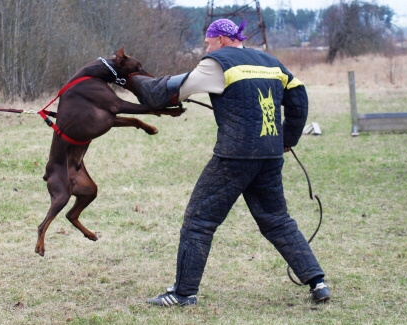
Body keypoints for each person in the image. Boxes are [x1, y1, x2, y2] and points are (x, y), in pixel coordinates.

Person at [131, 19, 330, 307]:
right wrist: (287, 139)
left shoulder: (217, 63)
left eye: (208, 42)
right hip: (270, 155)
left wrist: (128, 77)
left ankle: (183, 293)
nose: (206, 47)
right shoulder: (271, 62)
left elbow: (165, 94)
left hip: (234, 156)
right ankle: (318, 282)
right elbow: (298, 99)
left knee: (199, 220)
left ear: (221, 40)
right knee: (277, 220)